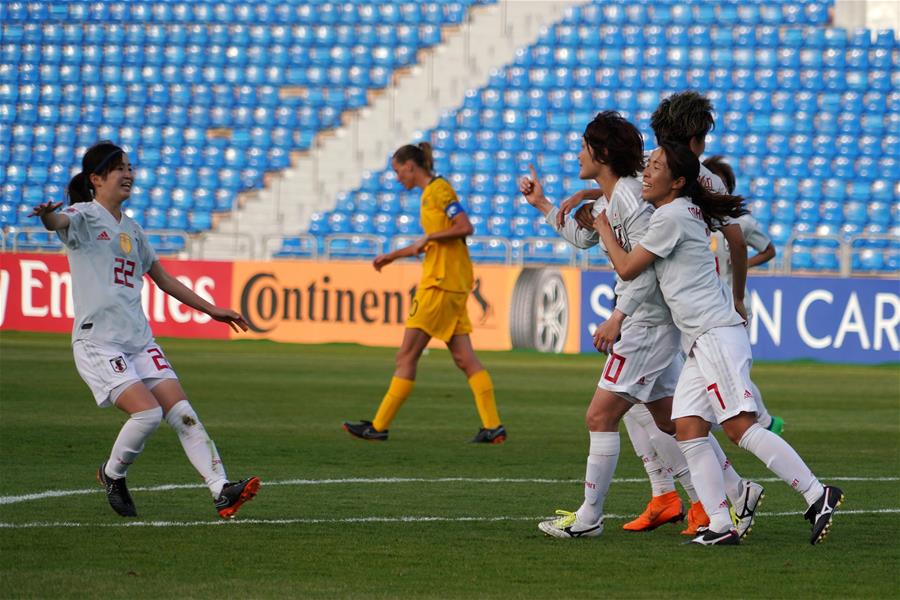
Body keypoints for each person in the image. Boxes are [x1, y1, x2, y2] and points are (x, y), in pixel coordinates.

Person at [521, 112, 759, 539]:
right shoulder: (614, 198)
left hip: (646, 323)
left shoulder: (632, 199)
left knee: (600, 415)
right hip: (650, 321)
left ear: (602, 152)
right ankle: (737, 490)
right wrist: (542, 204)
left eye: (583, 147)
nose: (578, 154)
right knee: (671, 420)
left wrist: (618, 316)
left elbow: (647, 269)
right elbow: (584, 238)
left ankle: (589, 517)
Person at [593, 142, 843, 545]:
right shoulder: (682, 210)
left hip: (714, 334)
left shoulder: (671, 216)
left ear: (677, 181)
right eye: (647, 165)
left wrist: (604, 227)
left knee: (739, 427)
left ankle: (817, 493)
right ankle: (720, 524)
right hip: (701, 338)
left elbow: (626, 267)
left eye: (655, 167)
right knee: (687, 427)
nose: (646, 174)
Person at [30, 141, 260, 519]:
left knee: (184, 414)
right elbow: (59, 223)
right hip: (99, 342)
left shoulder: (133, 230)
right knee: (148, 415)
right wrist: (47, 217)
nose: (129, 174)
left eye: (130, 167)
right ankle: (112, 473)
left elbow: (164, 279)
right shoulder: (84, 215)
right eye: (120, 168)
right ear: (96, 179)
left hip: (139, 340)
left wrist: (212, 310)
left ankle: (222, 489)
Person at [342, 142, 505, 443]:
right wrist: (393, 256)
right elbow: (431, 243)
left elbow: (465, 226)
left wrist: (429, 238)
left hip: (439, 285)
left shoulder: (438, 191)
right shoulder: (432, 193)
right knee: (465, 359)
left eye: (397, 171)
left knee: (406, 355)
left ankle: (378, 427)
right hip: (452, 284)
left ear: (410, 166)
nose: (397, 178)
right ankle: (493, 426)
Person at [703, 156, 783, 435]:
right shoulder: (696, 217)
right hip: (703, 303)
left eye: (718, 182)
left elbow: (769, 250)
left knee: (731, 367)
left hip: (733, 302)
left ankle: (763, 422)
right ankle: (757, 421)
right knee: (714, 366)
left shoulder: (742, 222)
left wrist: (741, 263)